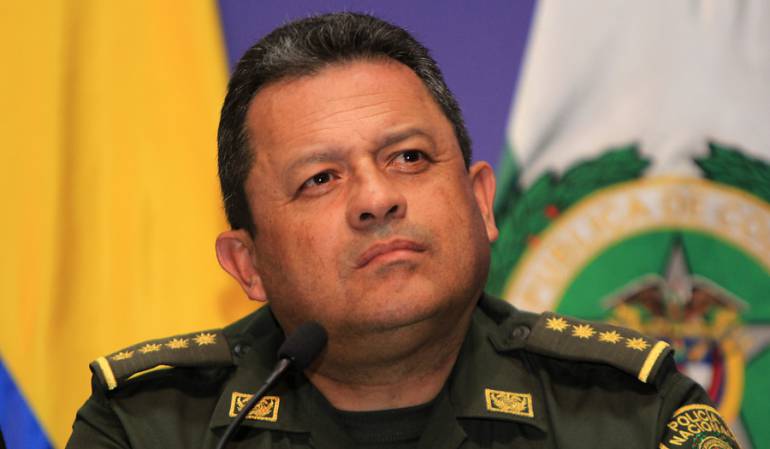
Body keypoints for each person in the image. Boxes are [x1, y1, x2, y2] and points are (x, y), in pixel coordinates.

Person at [66, 12, 739, 449]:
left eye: (409, 158)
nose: (377, 198)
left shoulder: (630, 414)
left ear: (481, 201)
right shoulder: (148, 425)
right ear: (248, 265)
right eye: (320, 178)